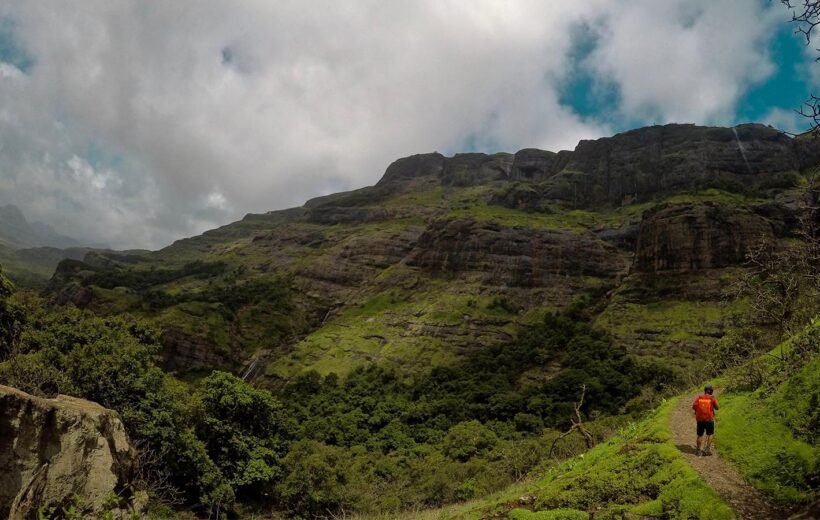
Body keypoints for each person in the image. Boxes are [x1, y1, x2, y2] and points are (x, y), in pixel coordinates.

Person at [692, 384, 719, 456]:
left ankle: (698, 451)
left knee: (700, 435)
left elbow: (694, 406)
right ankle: (707, 449)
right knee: (710, 434)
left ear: (705, 390)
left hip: (700, 420)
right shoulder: (712, 398)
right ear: (711, 391)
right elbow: (717, 407)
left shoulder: (699, 397)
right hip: (709, 419)